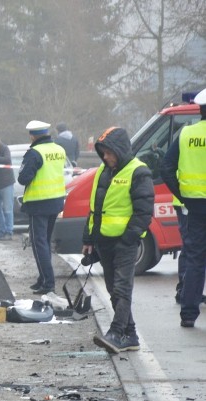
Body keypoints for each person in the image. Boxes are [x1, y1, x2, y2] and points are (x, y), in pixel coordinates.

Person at [83, 127, 154, 354]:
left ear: (120, 150)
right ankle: (130, 335)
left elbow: (143, 213)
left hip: (125, 242)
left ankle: (115, 332)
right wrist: (89, 238)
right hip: (104, 241)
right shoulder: (103, 172)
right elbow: (95, 209)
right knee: (114, 289)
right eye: (103, 153)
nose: (106, 157)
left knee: (122, 288)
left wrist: (128, 239)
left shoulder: (138, 172)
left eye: (109, 153)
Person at [161, 88, 206, 328]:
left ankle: (188, 314)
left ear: (199, 110)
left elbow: (166, 168)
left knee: (196, 259)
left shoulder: (186, 134)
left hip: (195, 207)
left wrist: (183, 196)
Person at [18, 120, 67, 294]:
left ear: (32, 135)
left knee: (39, 244)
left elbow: (23, 178)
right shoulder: (59, 150)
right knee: (44, 242)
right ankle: (42, 279)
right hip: (56, 201)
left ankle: (48, 283)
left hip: (38, 203)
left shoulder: (34, 153)